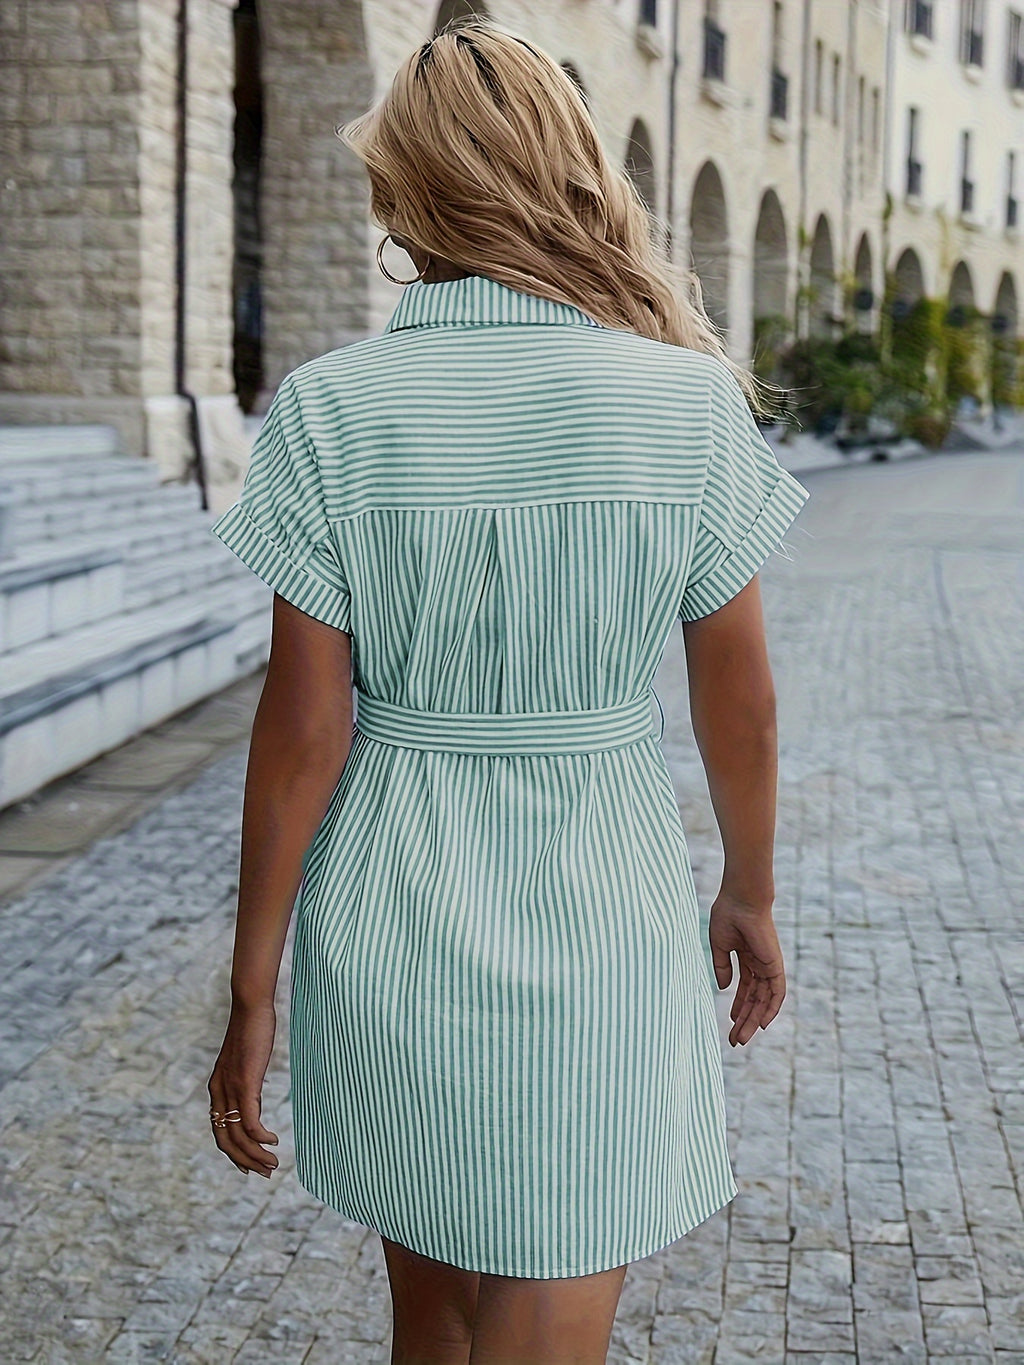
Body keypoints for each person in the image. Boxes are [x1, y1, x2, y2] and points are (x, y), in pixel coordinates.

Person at [206, 17, 810, 1364]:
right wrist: (750, 891)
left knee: (433, 1317)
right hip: (602, 890)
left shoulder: (329, 407)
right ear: (569, 167)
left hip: (392, 895)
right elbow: (744, 706)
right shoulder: (682, 401)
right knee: (555, 1302)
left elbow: (305, 729)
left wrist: (252, 983)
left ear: (404, 187)